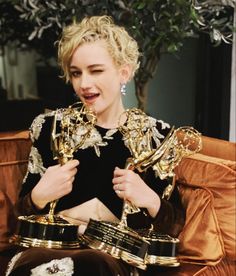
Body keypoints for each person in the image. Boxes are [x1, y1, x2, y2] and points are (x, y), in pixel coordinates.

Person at [6, 15, 185, 276]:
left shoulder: (156, 135)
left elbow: (173, 225)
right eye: (76, 73)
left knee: (93, 265)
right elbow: (23, 212)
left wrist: (149, 199)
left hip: (111, 257)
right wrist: (39, 196)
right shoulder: (51, 127)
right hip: (51, 248)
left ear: (124, 72)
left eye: (96, 70)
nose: (84, 84)